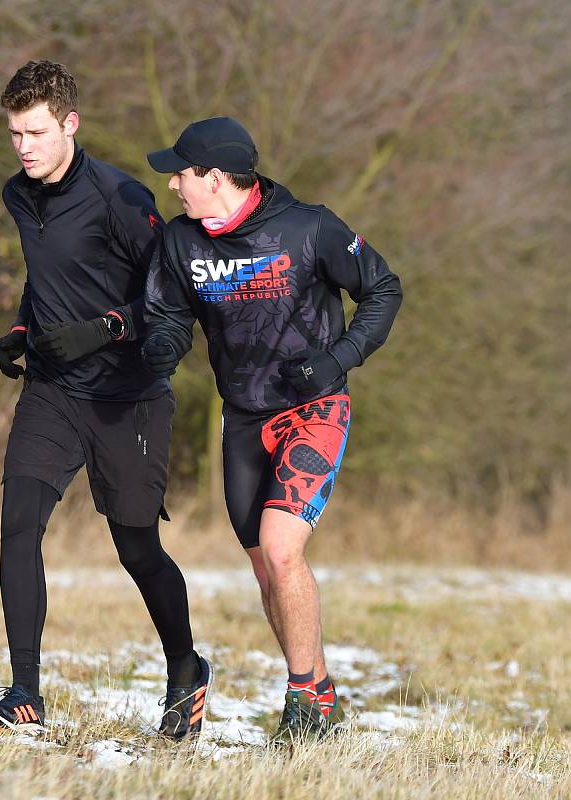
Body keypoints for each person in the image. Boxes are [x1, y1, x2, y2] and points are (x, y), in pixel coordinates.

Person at [0, 61, 211, 740]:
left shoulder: (121, 198)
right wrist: (23, 329)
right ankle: (24, 693)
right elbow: (46, 276)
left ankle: (184, 668)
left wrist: (108, 328)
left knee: (136, 547)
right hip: (51, 390)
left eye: (37, 132)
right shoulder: (18, 195)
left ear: (69, 124)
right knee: (19, 522)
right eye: (15, 132)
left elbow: (171, 297)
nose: (24, 146)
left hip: (124, 397)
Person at [142, 117, 402, 743]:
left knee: (284, 550)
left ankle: (303, 705)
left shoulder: (308, 227)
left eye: (181, 172)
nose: (173, 184)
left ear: (214, 177)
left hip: (313, 410)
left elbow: (384, 289)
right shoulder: (180, 243)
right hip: (242, 419)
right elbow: (169, 315)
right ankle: (319, 690)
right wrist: (161, 349)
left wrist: (338, 359)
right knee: (267, 572)